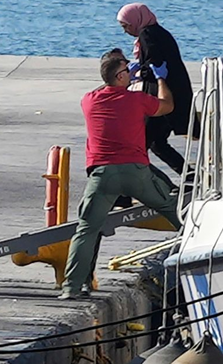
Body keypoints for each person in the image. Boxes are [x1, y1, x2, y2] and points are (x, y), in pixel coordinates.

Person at [62, 55, 183, 300]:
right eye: (127, 70)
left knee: (86, 230)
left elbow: (104, 88)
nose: (131, 73)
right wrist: (160, 79)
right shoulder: (137, 100)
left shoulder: (89, 100)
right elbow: (167, 105)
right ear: (119, 76)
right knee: (175, 211)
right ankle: (203, 248)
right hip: (136, 172)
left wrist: (117, 79)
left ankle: (71, 288)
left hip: (102, 176)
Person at [117, 3, 193, 178]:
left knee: (139, 147)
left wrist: (134, 72)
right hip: (175, 93)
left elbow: (154, 66)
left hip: (162, 96)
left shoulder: (147, 34)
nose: (125, 31)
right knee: (157, 143)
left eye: (125, 26)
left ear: (136, 21)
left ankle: (146, 185)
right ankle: (189, 177)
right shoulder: (159, 32)